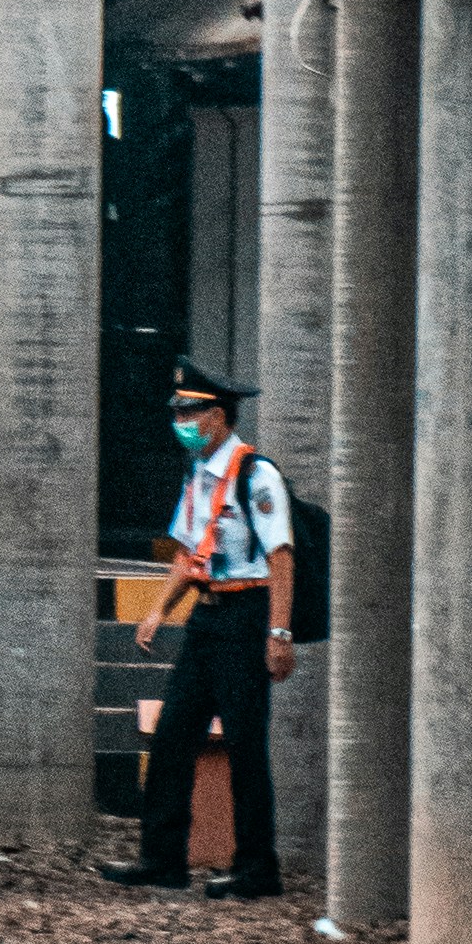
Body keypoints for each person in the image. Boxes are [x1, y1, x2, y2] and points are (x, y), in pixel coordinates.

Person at [103, 359, 293, 901]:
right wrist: (159, 610)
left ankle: (257, 868)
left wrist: (278, 635)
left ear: (219, 415)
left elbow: (281, 557)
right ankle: (163, 860)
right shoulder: (198, 477)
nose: (181, 420)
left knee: (245, 745)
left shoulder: (257, 475)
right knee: (172, 737)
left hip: (248, 613)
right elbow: (190, 553)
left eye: (190, 411)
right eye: (178, 411)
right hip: (207, 617)